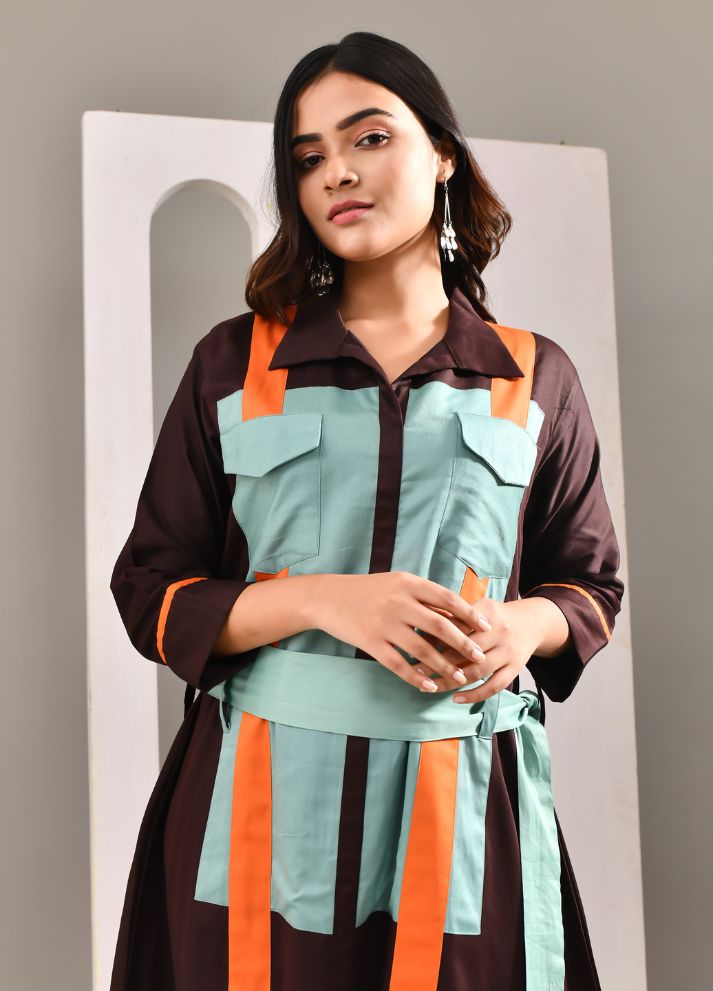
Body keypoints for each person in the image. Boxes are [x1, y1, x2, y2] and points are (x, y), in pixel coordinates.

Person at [108, 30, 625, 991]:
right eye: (307, 159)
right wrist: (327, 599)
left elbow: (588, 585)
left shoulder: (534, 376)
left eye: (369, 138)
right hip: (255, 808)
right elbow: (150, 590)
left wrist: (522, 625)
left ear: (442, 154)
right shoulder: (233, 363)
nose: (336, 173)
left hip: (462, 811)